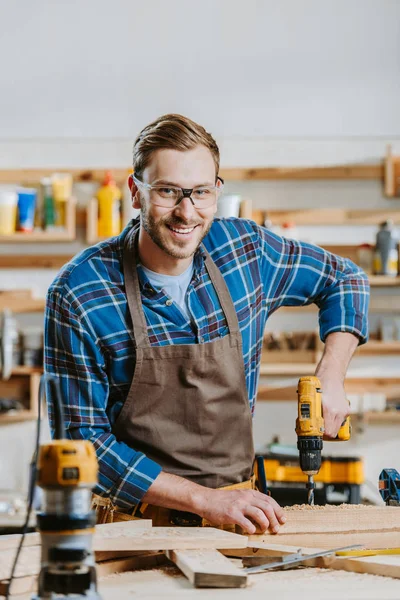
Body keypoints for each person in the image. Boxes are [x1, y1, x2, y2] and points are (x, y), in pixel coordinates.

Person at [45, 114, 369, 533]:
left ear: (216, 191)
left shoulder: (246, 251)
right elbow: (81, 444)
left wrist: (332, 375)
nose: (186, 212)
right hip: (130, 531)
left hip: (240, 520)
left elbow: (346, 278)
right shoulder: (80, 293)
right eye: (167, 192)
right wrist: (204, 501)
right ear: (136, 193)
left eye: (199, 192)